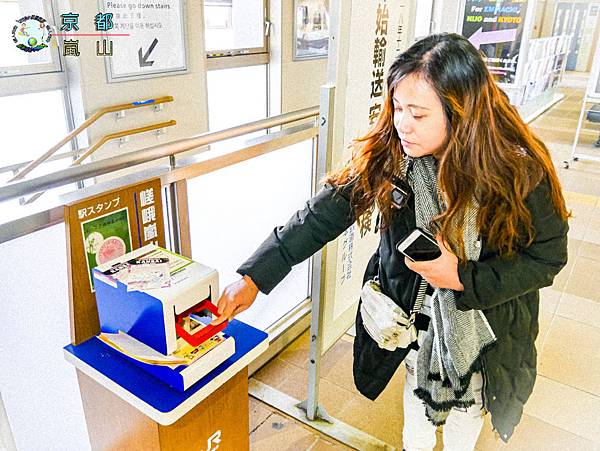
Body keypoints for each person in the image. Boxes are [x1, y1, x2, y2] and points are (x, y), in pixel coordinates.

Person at [211, 33, 569, 450]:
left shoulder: (516, 172)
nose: (402, 123)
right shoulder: (394, 155)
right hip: (415, 322)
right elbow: (323, 213)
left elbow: (548, 257)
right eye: (398, 107)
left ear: (463, 113)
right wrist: (254, 277)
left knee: (464, 422)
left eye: (417, 114)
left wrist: (463, 278)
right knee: (416, 411)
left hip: (484, 331)